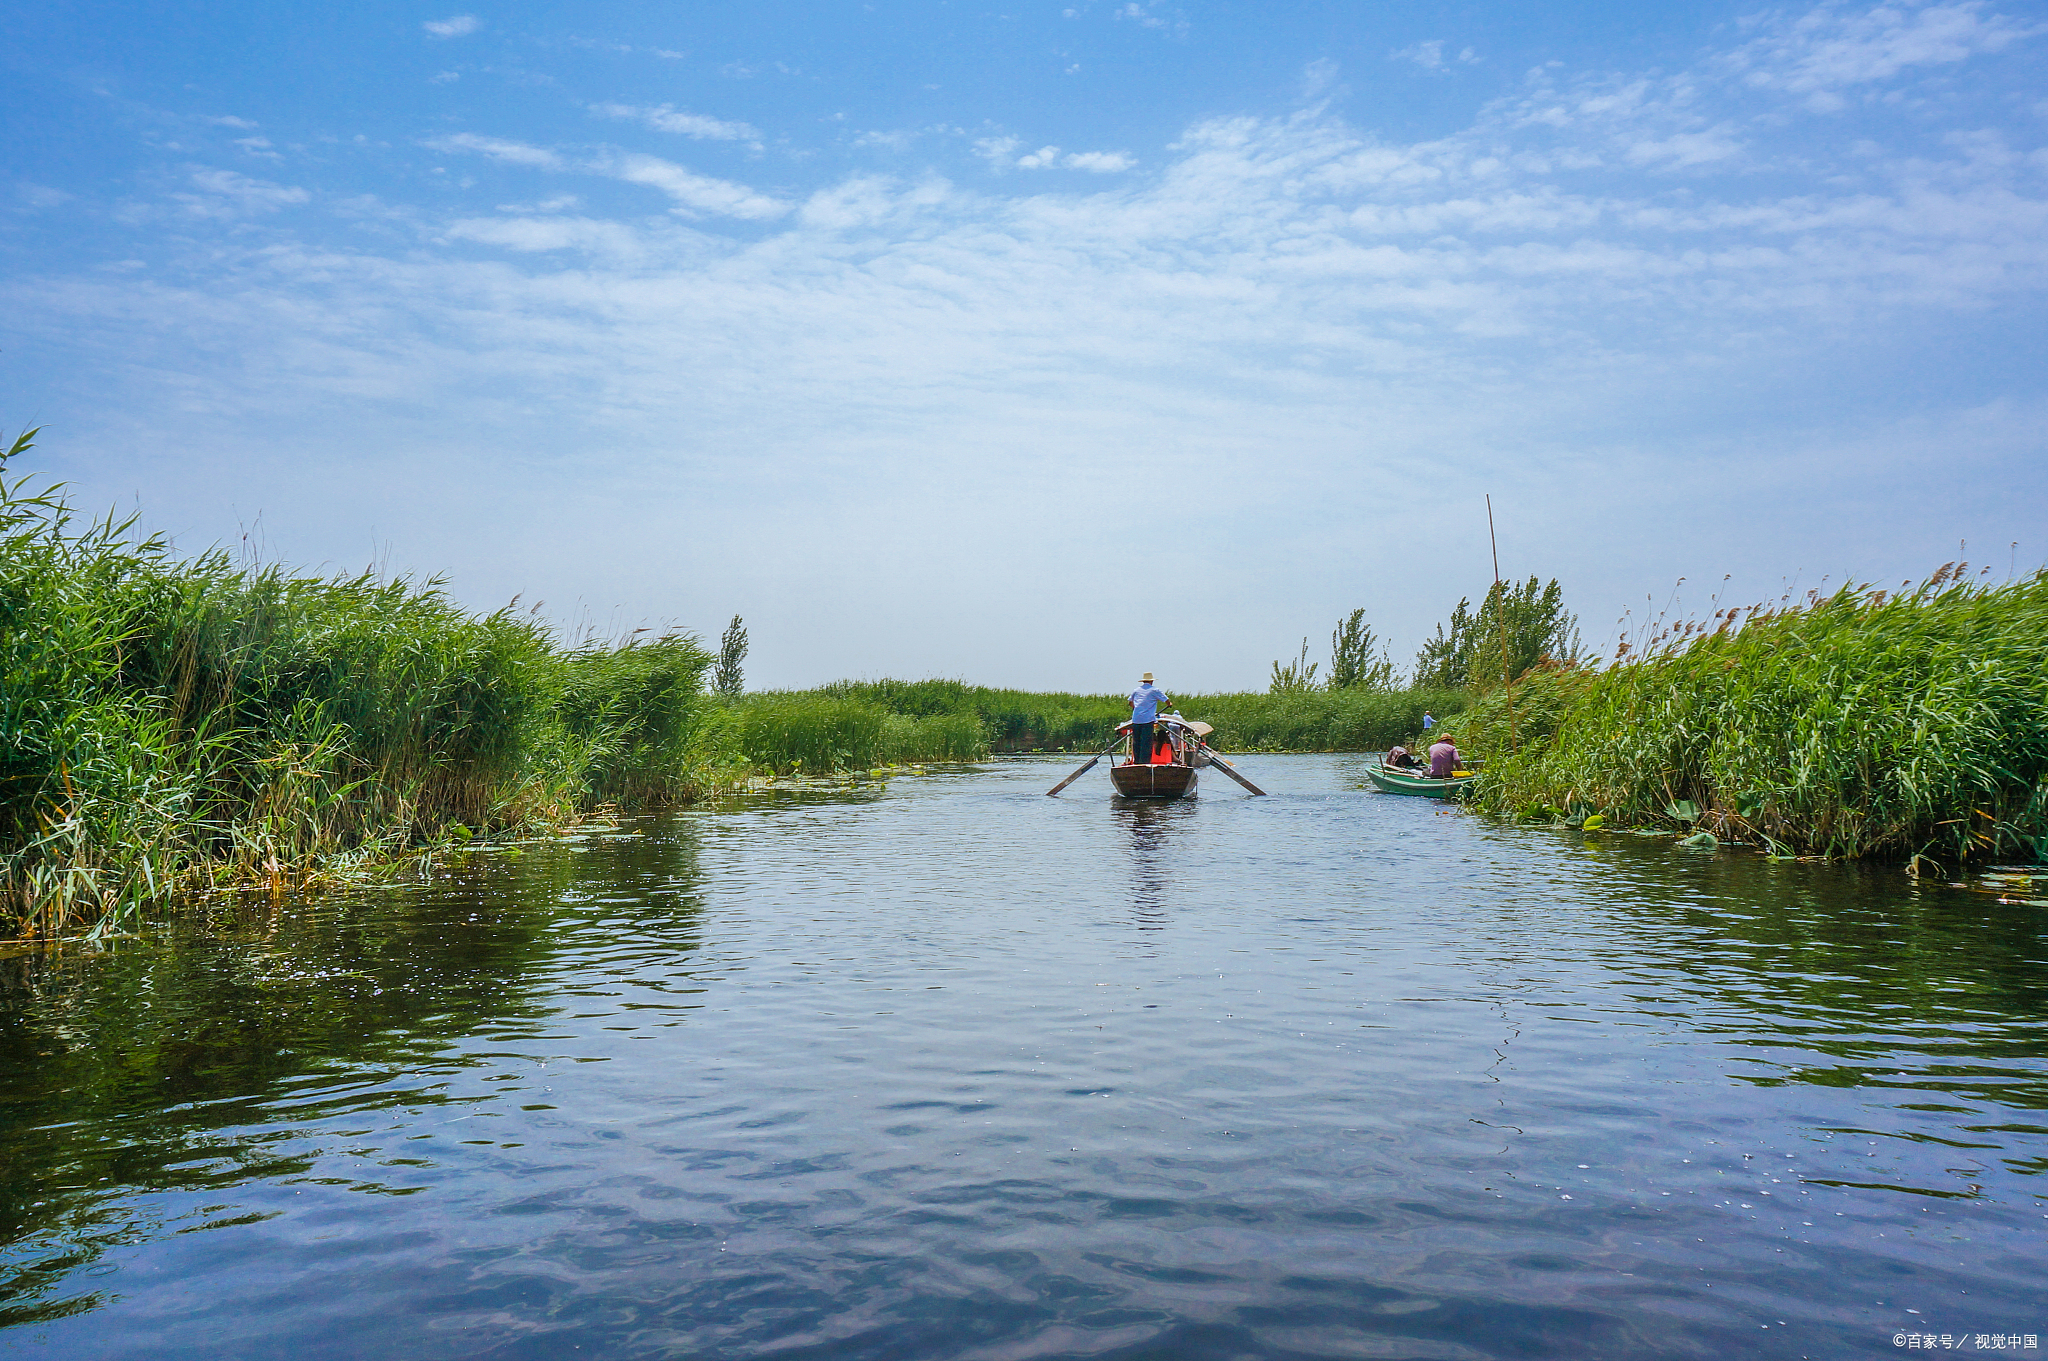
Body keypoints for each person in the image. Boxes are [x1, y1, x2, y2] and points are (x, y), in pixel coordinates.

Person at [1127, 672, 1172, 764]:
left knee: (1137, 742)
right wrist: (1169, 704)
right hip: (1147, 720)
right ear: (1152, 681)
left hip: (1136, 719)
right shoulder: (1154, 690)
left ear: (1143, 681)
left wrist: (1137, 708)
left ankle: (1137, 762)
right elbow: (1167, 700)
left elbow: (1130, 702)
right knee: (1146, 743)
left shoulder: (1136, 690)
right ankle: (1144, 763)